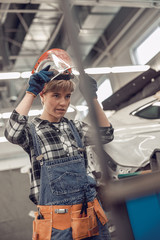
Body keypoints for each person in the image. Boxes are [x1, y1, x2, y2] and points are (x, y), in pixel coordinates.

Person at [4, 48, 114, 240]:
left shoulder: (75, 127)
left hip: (89, 216)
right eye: (56, 95)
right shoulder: (31, 131)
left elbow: (106, 134)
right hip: (56, 224)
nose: (63, 103)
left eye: (67, 96)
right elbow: (12, 133)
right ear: (42, 96)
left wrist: (93, 98)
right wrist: (30, 91)